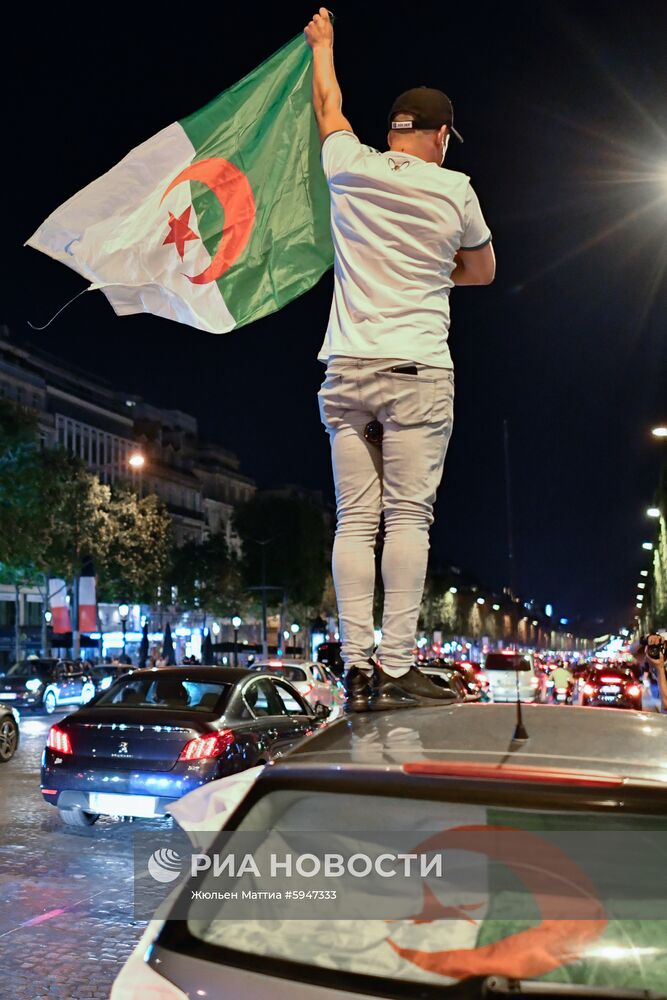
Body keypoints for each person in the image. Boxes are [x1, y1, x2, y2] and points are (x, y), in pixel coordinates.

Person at [304, 10, 495, 712]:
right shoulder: (454, 189)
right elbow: (482, 270)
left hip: (345, 367)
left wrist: (323, 47)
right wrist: (427, 271)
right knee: (408, 518)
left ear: (392, 132)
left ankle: (354, 667)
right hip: (415, 368)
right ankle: (395, 665)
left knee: (355, 520)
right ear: (440, 136)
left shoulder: (347, 165)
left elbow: (328, 105)